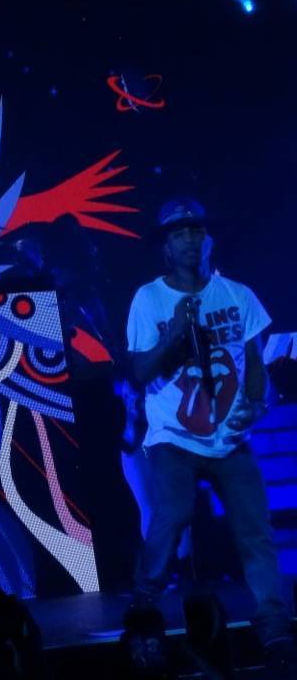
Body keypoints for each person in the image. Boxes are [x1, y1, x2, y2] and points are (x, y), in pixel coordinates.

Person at [126, 197, 293, 659]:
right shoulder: (149, 299)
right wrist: (174, 333)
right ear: (165, 246)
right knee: (174, 514)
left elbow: (254, 360)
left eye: (196, 231)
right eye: (179, 234)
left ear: (209, 239)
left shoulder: (237, 294)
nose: (189, 240)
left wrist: (256, 406)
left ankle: (273, 620)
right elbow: (140, 371)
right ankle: (144, 608)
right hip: (174, 438)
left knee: (255, 530)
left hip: (230, 438)